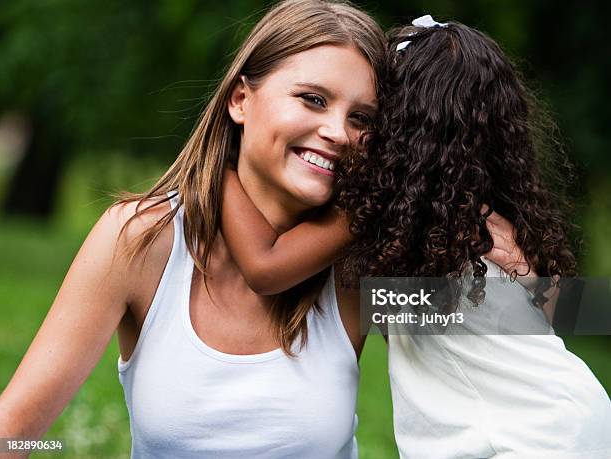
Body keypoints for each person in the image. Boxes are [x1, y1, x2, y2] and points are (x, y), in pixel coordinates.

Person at [0, 1, 388, 458]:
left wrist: (485, 230)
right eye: (313, 99)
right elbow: (13, 429)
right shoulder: (142, 242)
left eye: (361, 118)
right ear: (240, 100)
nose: (338, 132)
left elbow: (483, 322)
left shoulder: (360, 271)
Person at [219, 15, 611, 458]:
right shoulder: (472, 223)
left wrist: (222, 167)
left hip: (519, 441)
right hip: (574, 419)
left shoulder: (396, 218)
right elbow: (442, 311)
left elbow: (265, 268)